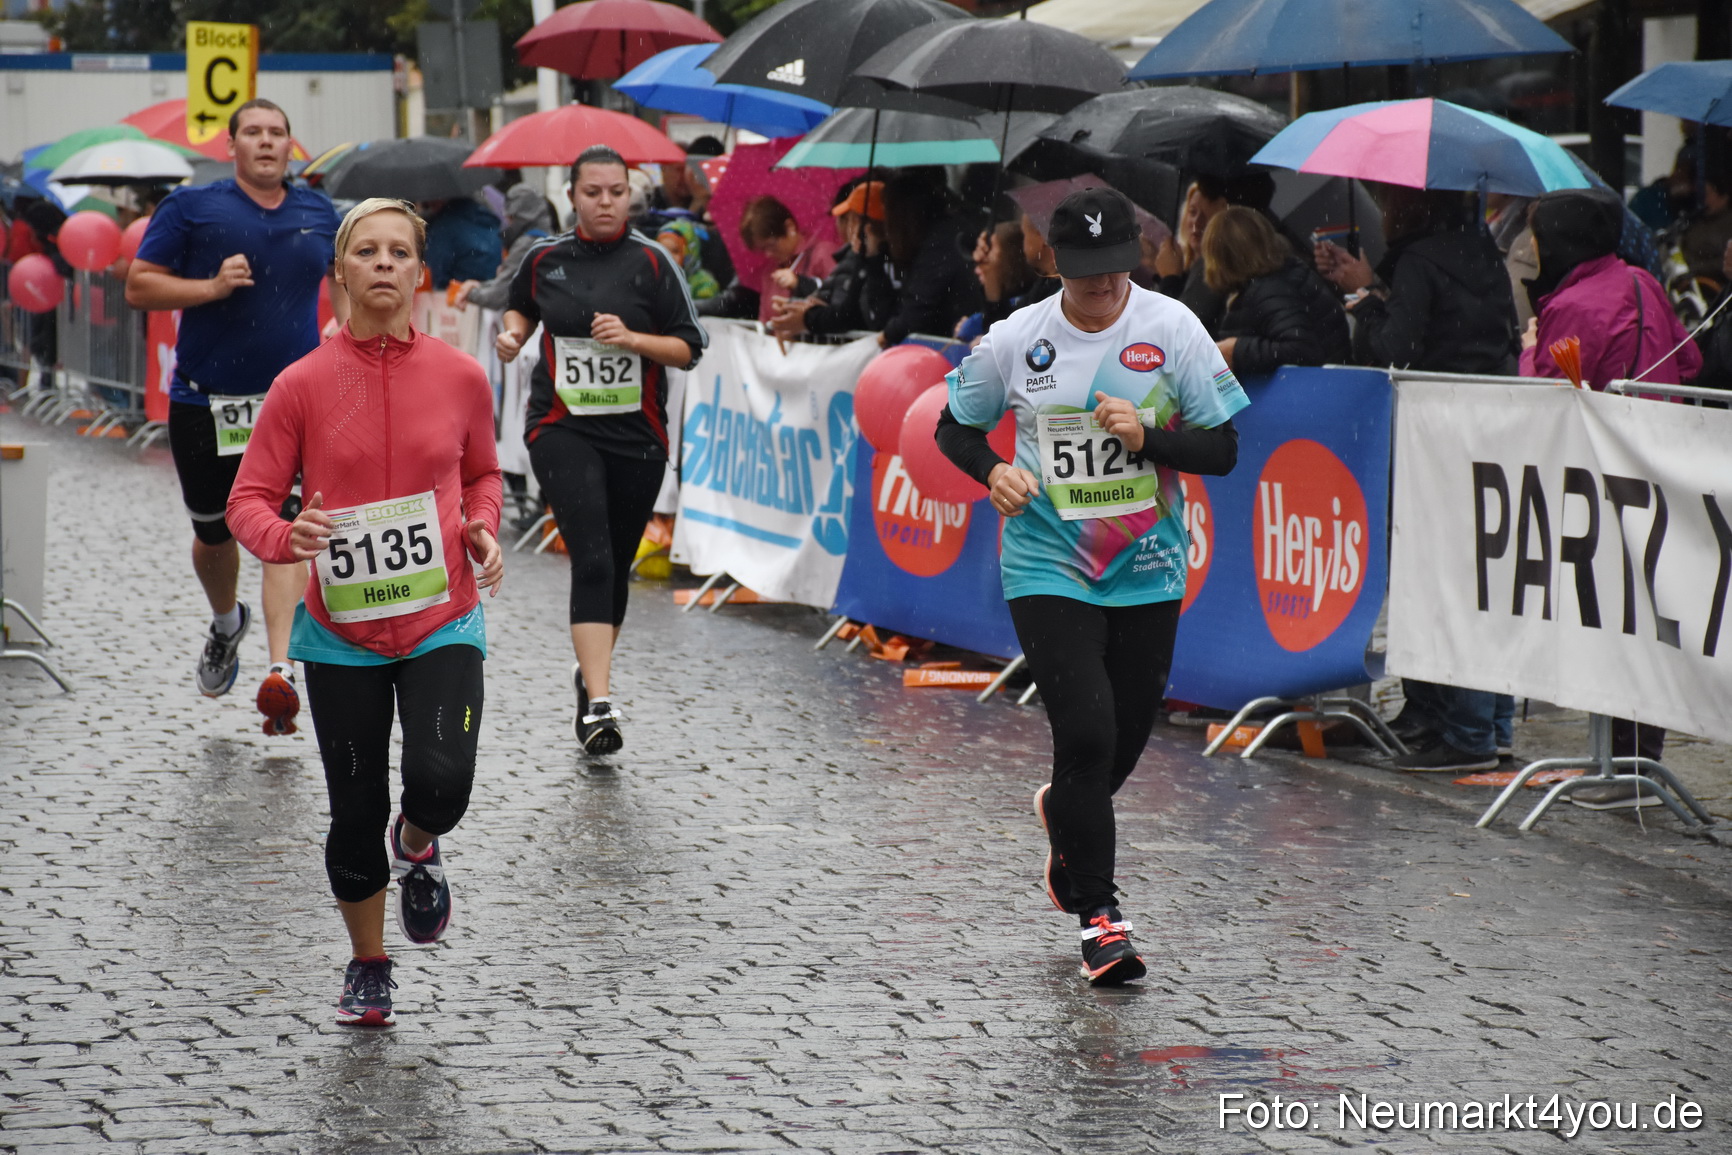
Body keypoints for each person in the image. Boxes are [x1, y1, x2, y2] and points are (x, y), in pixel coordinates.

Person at [935, 188, 1248, 985]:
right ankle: (1101, 919)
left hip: (1147, 564)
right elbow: (952, 424)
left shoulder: (1173, 328)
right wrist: (994, 470)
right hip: (1046, 560)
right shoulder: (1018, 338)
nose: (1104, 291)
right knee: (1087, 733)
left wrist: (1151, 437)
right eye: (1086, 277)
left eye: (1116, 275)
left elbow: (1222, 449)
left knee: (1125, 738)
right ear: (1054, 265)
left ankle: (1065, 815)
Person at [227, 197, 504, 1026]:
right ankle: (368, 962)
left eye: (399, 253)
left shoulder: (461, 375)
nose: (384, 264)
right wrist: (286, 534)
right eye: (367, 252)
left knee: (442, 783)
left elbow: (486, 473)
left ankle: (417, 844)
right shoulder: (301, 384)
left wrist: (482, 527)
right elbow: (248, 501)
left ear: (421, 271)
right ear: (340, 271)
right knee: (353, 807)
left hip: (441, 615)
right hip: (342, 633)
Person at [125, 98, 346, 736]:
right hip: (206, 400)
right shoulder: (192, 207)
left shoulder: (316, 211)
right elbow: (139, 284)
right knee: (216, 535)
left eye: (278, 133)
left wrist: (345, 324)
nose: (268, 143)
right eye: (254, 132)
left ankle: (281, 670)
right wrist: (211, 288)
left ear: (291, 145)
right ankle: (227, 622)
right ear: (232, 145)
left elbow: (347, 282)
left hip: (292, 403)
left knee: (287, 530)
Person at [494, 145, 706, 754]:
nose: (606, 202)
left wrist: (635, 338)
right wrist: (512, 337)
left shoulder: (654, 263)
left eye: (617, 192)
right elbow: (519, 309)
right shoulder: (544, 258)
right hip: (561, 428)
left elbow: (690, 348)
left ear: (630, 196)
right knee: (589, 555)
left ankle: (591, 680)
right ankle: (603, 707)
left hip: (638, 437)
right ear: (573, 195)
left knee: (614, 564)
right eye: (594, 192)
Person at [1316, 184, 1519, 773]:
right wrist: (1376, 281)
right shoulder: (1482, 253)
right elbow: (1487, 336)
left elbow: (1395, 349)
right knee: (1475, 574)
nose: (1381, 211)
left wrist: (1364, 299)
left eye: (1387, 201)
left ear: (1410, 206)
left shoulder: (1420, 260)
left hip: (1431, 433)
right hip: (1488, 428)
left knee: (1438, 577)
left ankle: (1465, 731)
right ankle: (1480, 722)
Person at [1518, 186, 1703, 807]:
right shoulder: (1642, 283)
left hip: (1597, 482)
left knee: (1607, 613)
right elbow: (1692, 357)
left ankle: (1619, 767)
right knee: (1646, 615)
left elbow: (1540, 396)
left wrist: (1525, 351)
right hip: (1664, 471)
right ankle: (1638, 762)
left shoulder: (1571, 303)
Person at [1202, 206, 1348, 375]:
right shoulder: (1287, 274)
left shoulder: (1268, 291)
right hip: (1329, 384)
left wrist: (1236, 350)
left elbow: (1301, 348)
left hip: (1314, 392)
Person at [769, 179, 894, 340]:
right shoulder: (856, 258)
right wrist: (799, 307)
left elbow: (854, 317)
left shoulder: (866, 260)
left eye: (850, 219)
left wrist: (809, 315)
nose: (841, 226)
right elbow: (837, 305)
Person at [879, 172, 984, 347]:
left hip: (952, 350)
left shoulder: (939, 246)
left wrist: (887, 334)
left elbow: (916, 313)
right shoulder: (949, 232)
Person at [954, 219, 1037, 344]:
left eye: (991, 249)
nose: (978, 270)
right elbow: (993, 322)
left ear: (1010, 258)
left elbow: (1004, 338)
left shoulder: (1033, 302)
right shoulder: (1002, 305)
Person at [419, 194, 503, 291]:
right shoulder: (484, 217)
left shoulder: (444, 227)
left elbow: (437, 274)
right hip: (493, 291)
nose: (429, 204)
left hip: (461, 296)